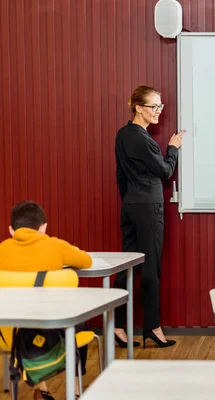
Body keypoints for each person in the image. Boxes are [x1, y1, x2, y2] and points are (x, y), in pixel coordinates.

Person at [113, 85, 185, 349]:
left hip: (131, 204)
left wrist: (131, 199)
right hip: (149, 206)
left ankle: (118, 326)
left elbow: (120, 176)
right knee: (150, 268)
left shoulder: (122, 135)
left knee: (126, 265)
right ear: (138, 108)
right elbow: (165, 171)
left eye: (160, 106)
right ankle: (153, 326)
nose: (158, 112)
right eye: (154, 106)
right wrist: (173, 147)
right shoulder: (143, 139)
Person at [0, 201, 92, 400]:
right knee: (78, 321)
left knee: (26, 322)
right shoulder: (55, 246)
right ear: (43, 228)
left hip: (10, 334)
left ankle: (42, 388)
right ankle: (76, 390)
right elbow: (86, 261)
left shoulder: (2, 250)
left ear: (10, 230)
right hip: (56, 331)